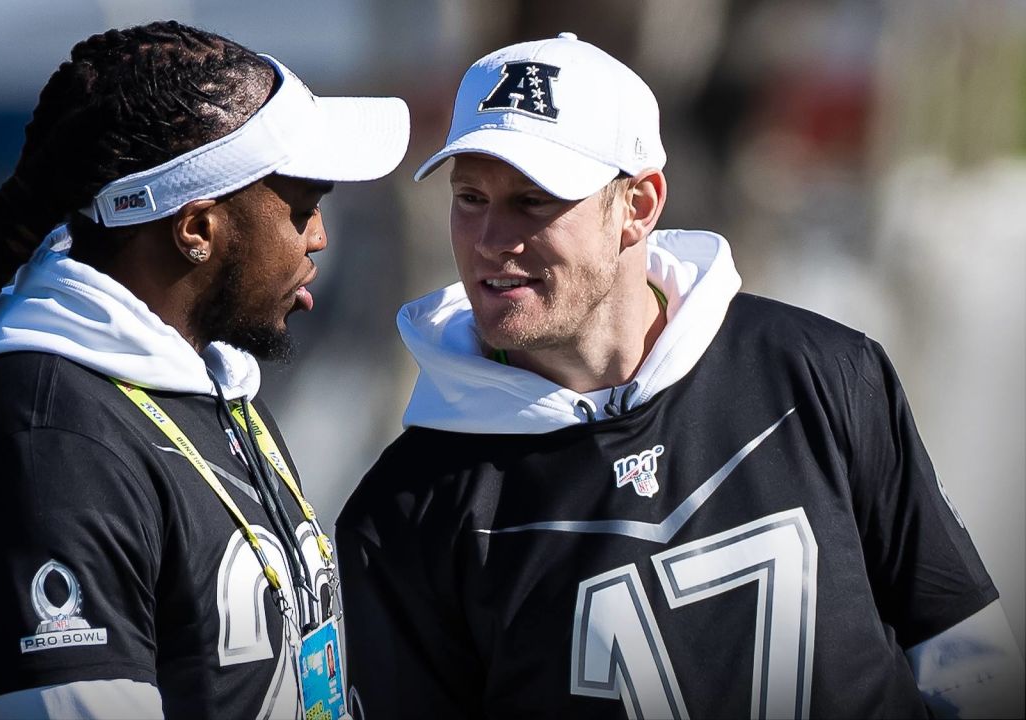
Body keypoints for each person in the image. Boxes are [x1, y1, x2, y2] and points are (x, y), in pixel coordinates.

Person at [335, 32, 1023, 719]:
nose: (489, 239)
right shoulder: (402, 512)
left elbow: (967, 656)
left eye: (533, 201)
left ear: (638, 206)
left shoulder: (819, 372)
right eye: (470, 197)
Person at [0, 21, 408, 719]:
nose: (320, 236)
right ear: (197, 230)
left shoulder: (206, 378)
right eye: (300, 209)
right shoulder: (49, 441)